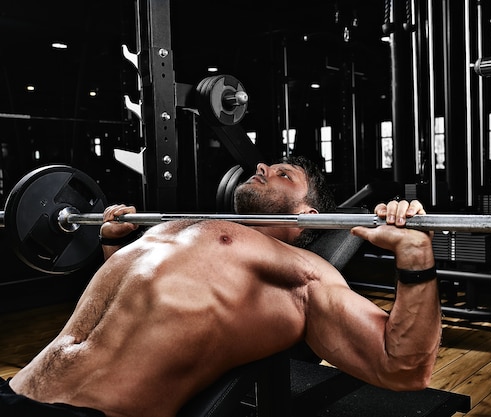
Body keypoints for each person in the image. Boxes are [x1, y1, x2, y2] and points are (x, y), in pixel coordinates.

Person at [1, 156, 441, 417]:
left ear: (307, 215)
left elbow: (403, 367)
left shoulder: (304, 272)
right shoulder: (184, 228)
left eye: (283, 174)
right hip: (15, 388)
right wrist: (114, 246)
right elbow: (132, 313)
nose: (262, 166)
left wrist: (416, 256)